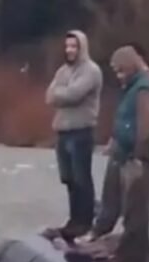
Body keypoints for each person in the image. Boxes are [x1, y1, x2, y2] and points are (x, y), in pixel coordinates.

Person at [97, 45, 149, 262]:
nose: (118, 76)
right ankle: (137, 257)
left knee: (135, 211)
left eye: (120, 70)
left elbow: (146, 126)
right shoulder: (139, 84)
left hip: (139, 157)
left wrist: (137, 155)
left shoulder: (144, 89)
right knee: (135, 208)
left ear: (131, 65)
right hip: (129, 154)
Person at [43, 30, 103, 241]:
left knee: (81, 179)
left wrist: (62, 93)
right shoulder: (62, 71)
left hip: (81, 131)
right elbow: (49, 96)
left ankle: (84, 222)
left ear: (82, 47)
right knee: (68, 178)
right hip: (62, 131)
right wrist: (61, 94)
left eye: (74, 46)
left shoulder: (91, 71)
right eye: (67, 46)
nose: (69, 50)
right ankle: (73, 220)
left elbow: (74, 94)